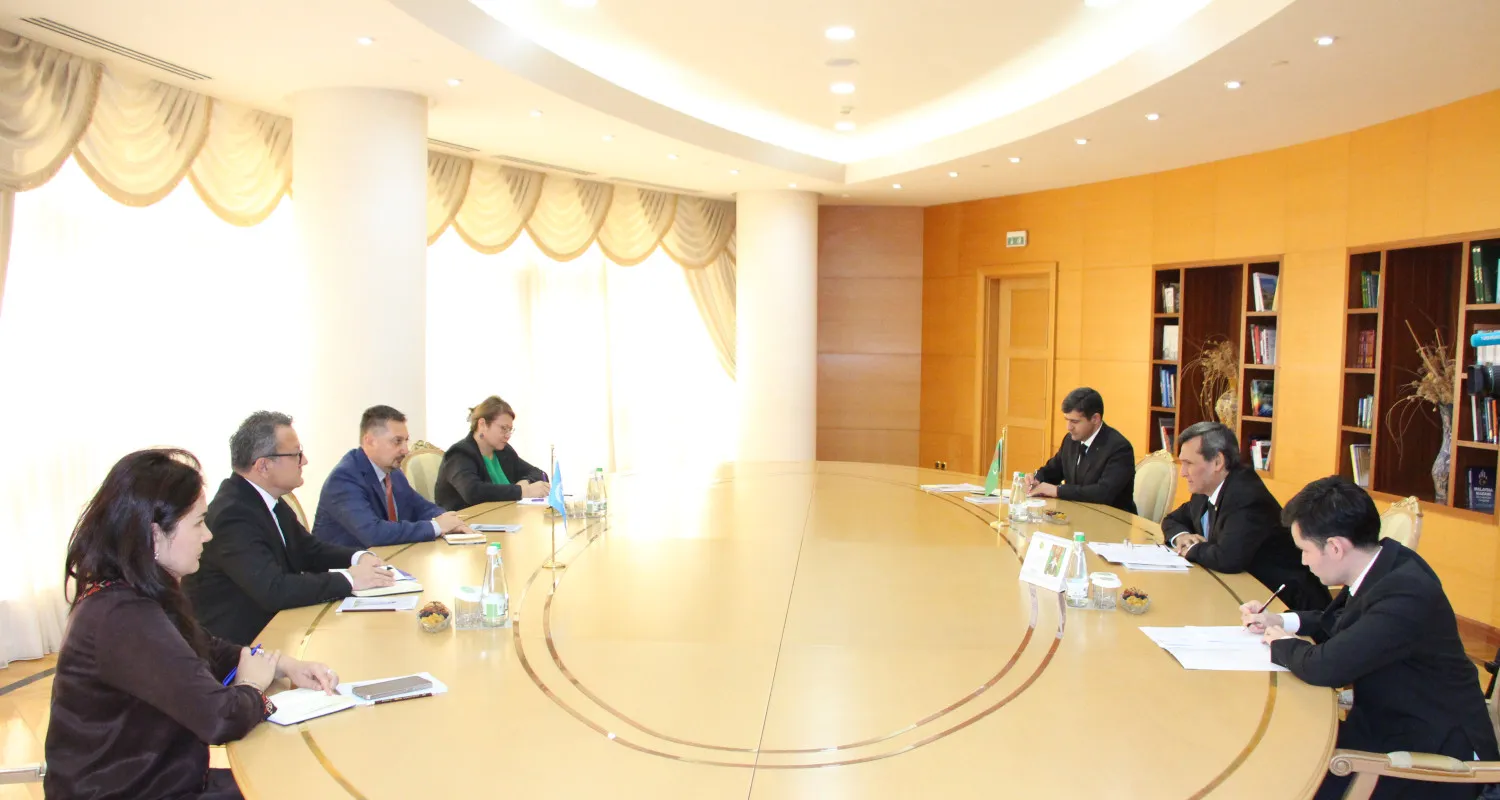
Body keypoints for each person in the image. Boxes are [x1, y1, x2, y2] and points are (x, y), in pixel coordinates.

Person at [45, 449, 341, 800]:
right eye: (199, 523)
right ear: (155, 535)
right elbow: (218, 718)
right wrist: (252, 686)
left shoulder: (135, 591)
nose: (208, 536)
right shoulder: (122, 617)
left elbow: (205, 648)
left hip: (162, 779)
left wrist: (283, 665)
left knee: (298, 780)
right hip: (134, 791)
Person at [1245, 476, 1500, 800]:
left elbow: (1327, 667)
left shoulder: (1405, 594)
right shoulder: (1388, 562)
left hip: (1433, 755)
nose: (1303, 561)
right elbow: (1339, 621)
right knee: (1279, 754)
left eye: (1305, 551)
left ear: (1335, 547)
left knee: (1283, 782)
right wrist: (1280, 620)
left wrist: (1281, 644)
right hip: (1392, 721)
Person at [184, 411, 395, 646]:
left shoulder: (266, 499)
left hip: (280, 628)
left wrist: (358, 557)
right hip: (243, 646)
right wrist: (349, 579)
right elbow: (274, 590)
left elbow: (309, 550)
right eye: (296, 455)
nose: (304, 461)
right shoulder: (232, 515)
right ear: (263, 466)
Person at [1162, 421, 1328, 612]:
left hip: (1286, 603)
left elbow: (1228, 558)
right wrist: (1182, 536)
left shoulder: (1246, 496)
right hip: (1242, 592)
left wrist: (1191, 549)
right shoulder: (1205, 489)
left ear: (1217, 462)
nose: (1183, 473)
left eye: (1189, 463)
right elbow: (1172, 520)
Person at [313, 405, 476, 547]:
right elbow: (373, 533)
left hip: (386, 559)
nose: (406, 450)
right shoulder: (344, 478)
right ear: (370, 441)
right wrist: (436, 527)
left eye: (406, 441)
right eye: (397, 441)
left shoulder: (392, 472)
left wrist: (448, 520)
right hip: (346, 567)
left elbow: (420, 506)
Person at [1026, 387, 1137, 514]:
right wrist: (1037, 479)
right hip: (1077, 514)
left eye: (1074, 421)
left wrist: (1058, 491)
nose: (1069, 427)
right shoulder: (1071, 440)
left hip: (1112, 519)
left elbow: (1103, 493)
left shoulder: (1119, 448)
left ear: (1095, 419)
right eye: (1067, 420)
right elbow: (1053, 470)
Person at [434, 396, 550, 510]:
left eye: (510, 430)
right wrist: (522, 491)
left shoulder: (503, 451)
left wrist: (526, 481)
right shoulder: (459, 454)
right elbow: (473, 492)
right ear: (482, 424)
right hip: (467, 520)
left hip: (504, 517)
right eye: (503, 428)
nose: (508, 435)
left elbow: (539, 474)